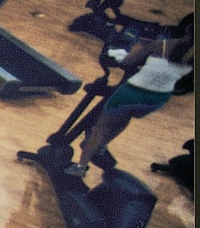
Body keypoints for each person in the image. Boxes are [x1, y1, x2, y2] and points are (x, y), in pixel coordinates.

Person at [71, 16, 194, 178]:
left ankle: (80, 166)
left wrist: (125, 52)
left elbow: (127, 62)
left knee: (99, 130)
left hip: (132, 93)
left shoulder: (160, 45)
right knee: (124, 118)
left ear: (187, 29)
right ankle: (101, 147)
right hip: (156, 100)